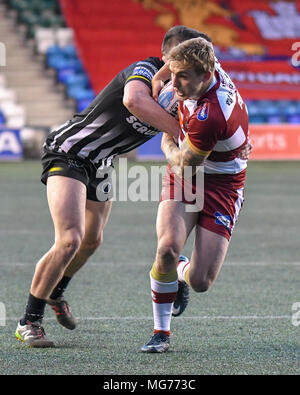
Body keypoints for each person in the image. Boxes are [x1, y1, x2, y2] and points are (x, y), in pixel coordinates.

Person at [15, 26, 251, 347]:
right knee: (70, 238)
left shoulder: (191, 86)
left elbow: (215, 110)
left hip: (102, 162)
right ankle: (29, 321)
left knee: (92, 240)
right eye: (173, 67)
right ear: (166, 59)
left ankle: (56, 292)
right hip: (71, 151)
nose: (177, 77)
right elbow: (134, 99)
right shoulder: (146, 70)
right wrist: (181, 131)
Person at [141, 37, 249, 353]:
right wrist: (161, 76)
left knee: (200, 282)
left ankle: (182, 269)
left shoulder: (212, 114)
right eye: (173, 75)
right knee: (166, 248)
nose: (174, 84)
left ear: (206, 74)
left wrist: (166, 139)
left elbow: (185, 161)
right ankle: (161, 332)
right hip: (185, 179)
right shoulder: (205, 62)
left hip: (221, 184)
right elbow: (197, 41)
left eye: (182, 77)